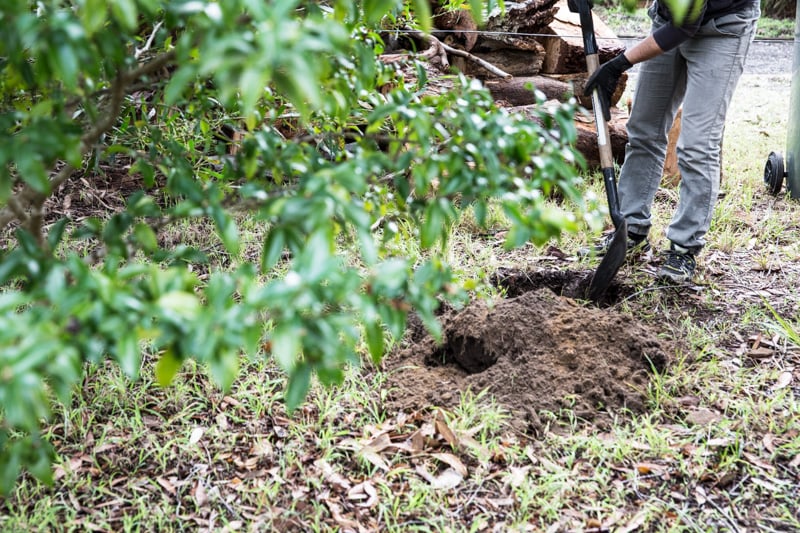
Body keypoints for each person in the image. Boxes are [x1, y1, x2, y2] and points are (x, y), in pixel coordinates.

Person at [582, 0, 760, 282]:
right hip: (669, 20)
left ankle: (683, 247)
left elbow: (684, 26)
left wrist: (619, 64)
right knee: (644, 130)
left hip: (723, 27)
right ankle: (630, 229)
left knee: (697, 146)